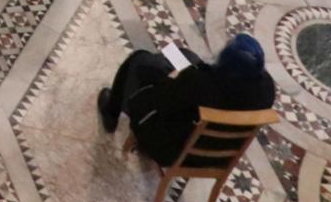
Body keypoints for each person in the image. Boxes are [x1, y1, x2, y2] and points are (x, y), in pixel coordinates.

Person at [99, 33, 275, 164]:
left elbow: (163, 102)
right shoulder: (267, 88)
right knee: (186, 55)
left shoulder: (199, 82)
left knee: (139, 60)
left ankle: (111, 111)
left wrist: (172, 79)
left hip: (175, 150)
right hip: (217, 156)